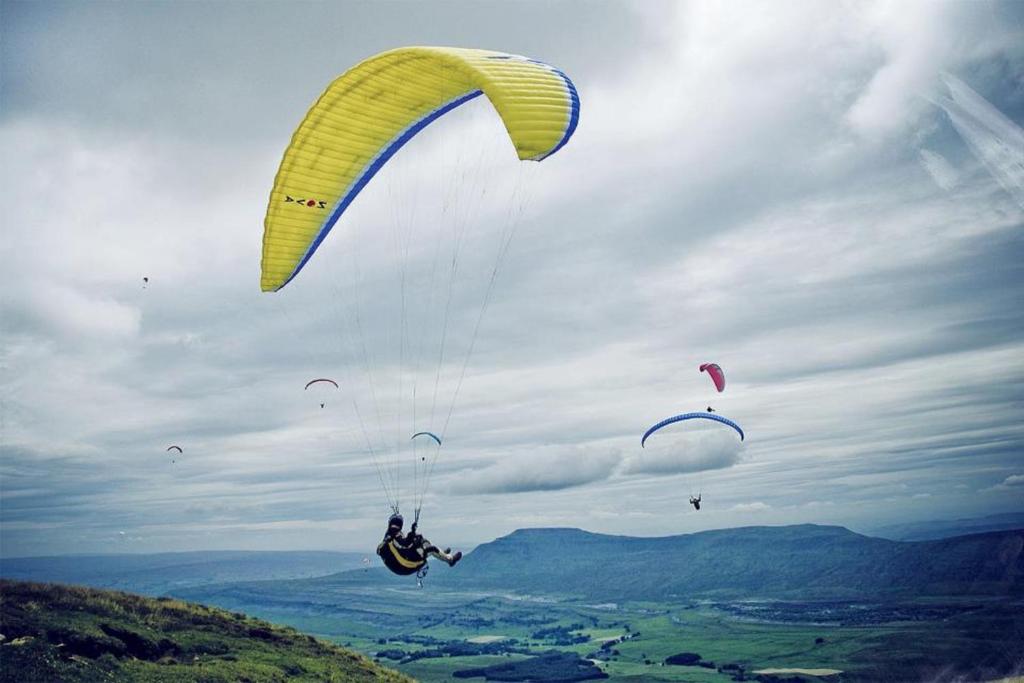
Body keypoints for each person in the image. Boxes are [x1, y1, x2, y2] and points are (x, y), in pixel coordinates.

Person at [376, 514, 462, 576]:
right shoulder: (394, 534)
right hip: (406, 563)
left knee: (424, 542)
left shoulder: (390, 535)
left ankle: (441, 553)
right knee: (431, 548)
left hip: (402, 564)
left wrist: (412, 533)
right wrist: (412, 534)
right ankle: (450, 560)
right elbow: (404, 543)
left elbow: (402, 545)